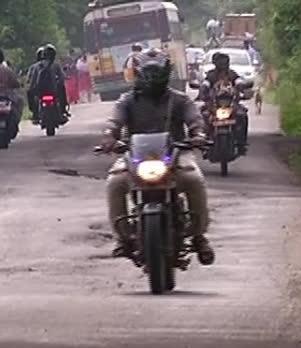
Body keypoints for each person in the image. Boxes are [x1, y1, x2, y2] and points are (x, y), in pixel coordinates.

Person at [101, 48, 215, 265]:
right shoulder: (127, 101)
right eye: (147, 75)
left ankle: (199, 235)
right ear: (139, 74)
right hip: (134, 157)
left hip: (176, 155)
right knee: (115, 182)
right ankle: (123, 238)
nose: (152, 80)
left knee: (194, 180)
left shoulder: (180, 100)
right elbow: (113, 123)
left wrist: (198, 134)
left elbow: (195, 120)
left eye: (157, 75)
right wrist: (109, 138)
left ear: (165, 75)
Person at [200, 52, 249, 154]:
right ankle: (203, 142)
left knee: (242, 116)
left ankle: (241, 144)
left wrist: (241, 86)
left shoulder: (232, 74)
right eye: (220, 61)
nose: (222, 64)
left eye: (224, 61)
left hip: (231, 105)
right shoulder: (211, 75)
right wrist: (203, 90)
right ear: (215, 63)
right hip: (213, 106)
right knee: (203, 115)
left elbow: (238, 81)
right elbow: (205, 83)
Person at [29, 44, 69, 120]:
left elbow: (33, 79)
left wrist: (31, 87)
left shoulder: (37, 66)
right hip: (53, 90)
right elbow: (61, 76)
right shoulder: (55, 65)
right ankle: (63, 110)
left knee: (33, 96)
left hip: (40, 90)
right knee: (62, 89)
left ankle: (35, 114)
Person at [27, 47, 46, 123]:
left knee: (30, 94)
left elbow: (30, 79)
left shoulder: (34, 67)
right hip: (49, 88)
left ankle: (35, 113)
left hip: (38, 89)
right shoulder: (53, 64)